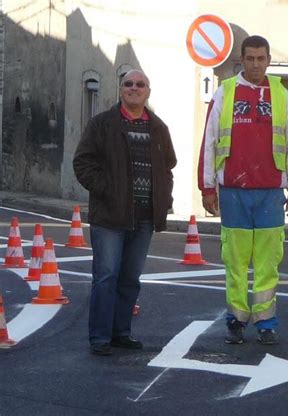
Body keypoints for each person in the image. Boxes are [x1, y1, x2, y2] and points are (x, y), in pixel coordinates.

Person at [198, 35, 288, 345]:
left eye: (261, 58)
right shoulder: (225, 92)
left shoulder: (282, 95)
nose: (256, 64)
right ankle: (236, 318)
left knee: (268, 262)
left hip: (271, 192)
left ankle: (266, 322)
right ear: (241, 61)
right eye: (250, 58)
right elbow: (209, 142)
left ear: (269, 60)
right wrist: (207, 187)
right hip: (233, 191)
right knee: (235, 260)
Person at [73, 69, 177, 355]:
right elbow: (82, 163)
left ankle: (121, 333)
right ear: (121, 90)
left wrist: (164, 199)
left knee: (130, 279)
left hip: (144, 217)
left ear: (148, 91)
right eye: (128, 84)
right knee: (106, 276)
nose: (134, 88)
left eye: (140, 84)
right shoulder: (102, 124)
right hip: (110, 215)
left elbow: (168, 168)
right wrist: (107, 189)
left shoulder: (158, 128)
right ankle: (100, 337)